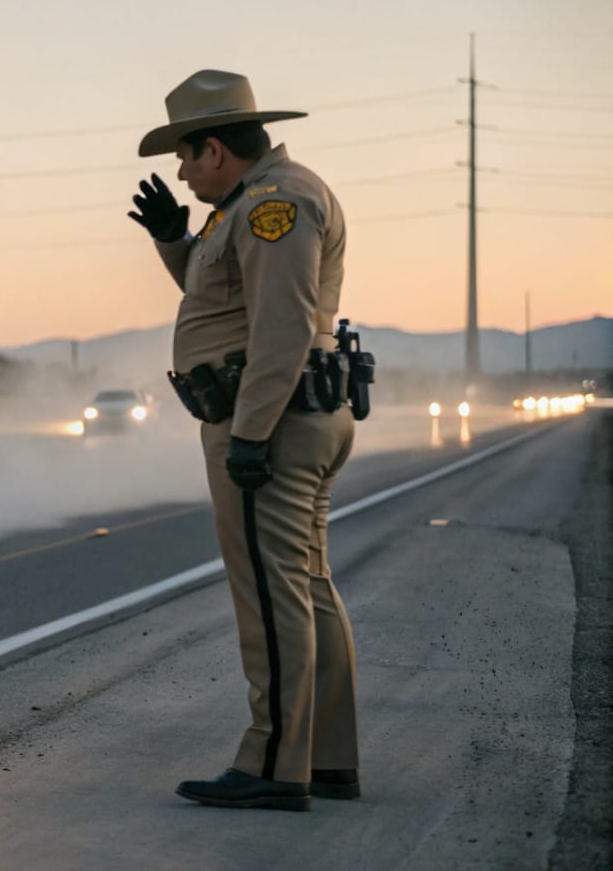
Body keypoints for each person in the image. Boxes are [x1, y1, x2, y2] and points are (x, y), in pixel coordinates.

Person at [127, 70, 359, 811]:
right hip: (293, 414)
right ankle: (323, 757)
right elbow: (224, 301)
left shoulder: (271, 204)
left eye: (184, 157)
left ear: (215, 150)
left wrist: (251, 435)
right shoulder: (251, 203)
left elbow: (280, 324)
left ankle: (273, 765)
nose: (180, 173)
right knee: (304, 587)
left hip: (273, 422)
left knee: (270, 594)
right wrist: (175, 241)